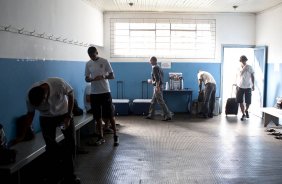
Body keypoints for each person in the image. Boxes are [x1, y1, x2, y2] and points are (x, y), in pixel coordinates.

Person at [24, 77, 80, 184]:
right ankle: (54, 176)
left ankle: (70, 177)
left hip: (64, 114)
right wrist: (23, 134)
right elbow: (30, 114)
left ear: (45, 96)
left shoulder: (58, 84)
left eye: (40, 105)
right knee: (50, 147)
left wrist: (68, 116)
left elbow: (71, 94)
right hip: (46, 118)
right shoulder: (30, 96)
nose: (40, 107)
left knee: (70, 143)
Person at [85, 46, 119, 146]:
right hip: (94, 94)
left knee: (110, 115)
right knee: (98, 117)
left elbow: (112, 76)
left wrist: (103, 76)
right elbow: (86, 78)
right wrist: (91, 79)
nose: (91, 57)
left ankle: (115, 136)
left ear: (96, 53)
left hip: (105, 92)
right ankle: (101, 137)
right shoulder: (88, 64)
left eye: (93, 55)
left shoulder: (104, 61)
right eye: (89, 55)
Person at [146, 56, 173, 121]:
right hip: (159, 86)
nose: (149, 62)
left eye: (150, 61)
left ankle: (168, 115)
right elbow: (159, 78)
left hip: (157, 87)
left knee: (161, 102)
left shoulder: (155, 68)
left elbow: (157, 79)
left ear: (153, 61)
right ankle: (150, 115)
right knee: (153, 101)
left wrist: (153, 83)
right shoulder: (159, 67)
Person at [236, 55, 255, 121]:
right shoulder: (238, 68)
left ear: (246, 60)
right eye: (242, 61)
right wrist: (236, 83)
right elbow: (238, 76)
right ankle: (243, 113)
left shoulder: (249, 67)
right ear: (240, 61)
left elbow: (252, 76)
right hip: (240, 86)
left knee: (248, 101)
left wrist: (253, 85)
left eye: (244, 60)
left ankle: (246, 110)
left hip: (248, 86)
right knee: (240, 101)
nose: (243, 62)